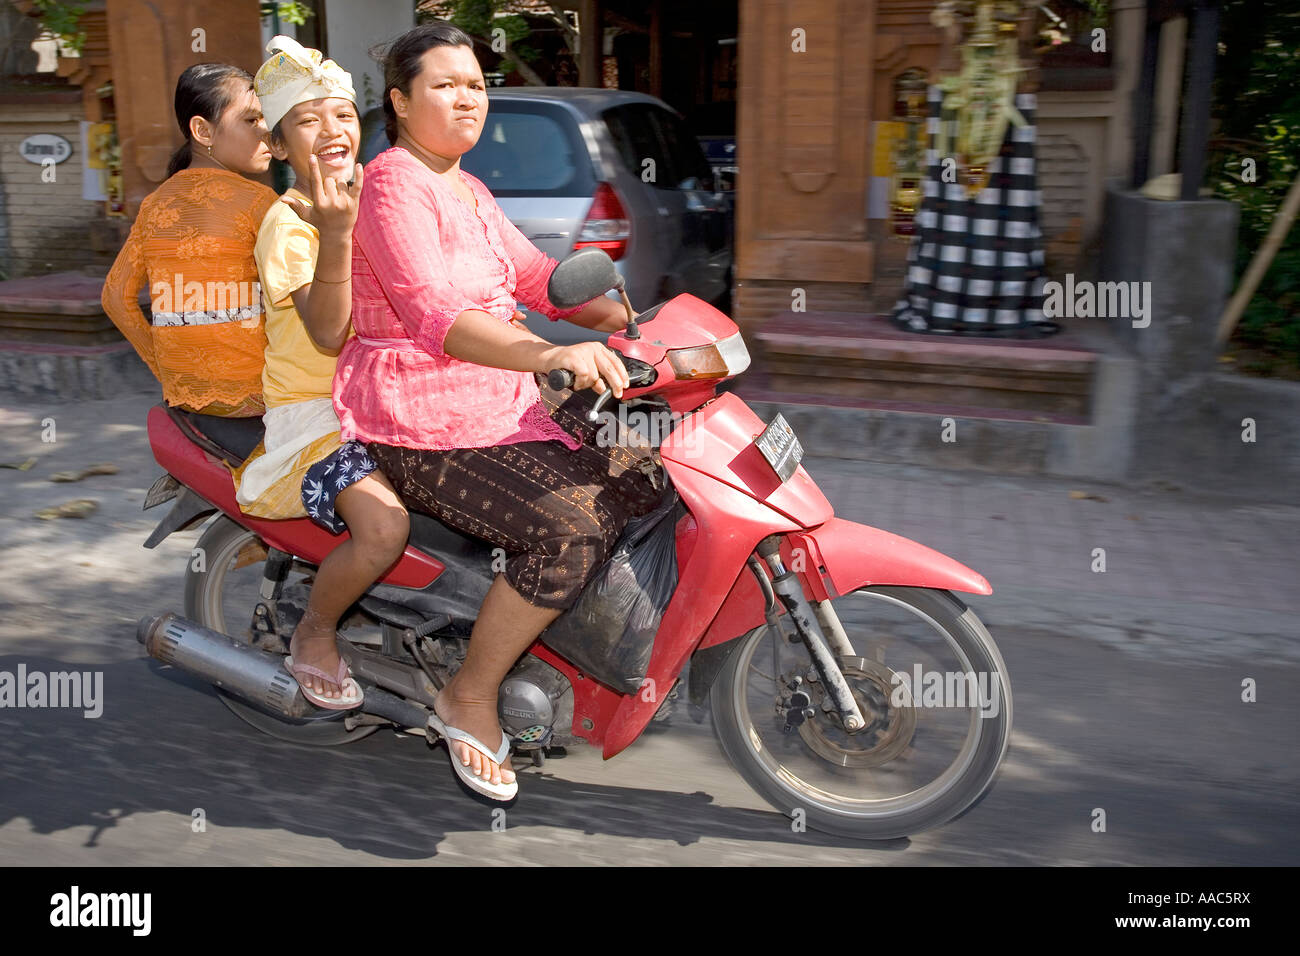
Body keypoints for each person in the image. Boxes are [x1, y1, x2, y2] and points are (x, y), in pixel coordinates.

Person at [336, 22, 662, 799]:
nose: (466, 98)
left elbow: (542, 279)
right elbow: (434, 315)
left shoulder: (468, 189)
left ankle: (574, 648)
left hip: (499, 397)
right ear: (401, 101)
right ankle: (470, 694)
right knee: (570, 528)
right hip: (417, 414)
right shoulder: (391, 184)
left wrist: (634, 320)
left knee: (646, 464)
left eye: (478, 85)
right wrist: (551, 354)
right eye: (445, 84)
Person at [232, 36, 410, 709]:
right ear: (278, 147)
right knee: (384, 528)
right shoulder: (290, 223)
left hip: (391, 394)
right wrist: (337, 233)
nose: (332, 130)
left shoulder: (379, 192)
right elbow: (328, 332)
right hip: (319, 412)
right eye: (307, 121)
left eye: (340, 114)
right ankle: (315, 630)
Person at [102, 63, 277, 417]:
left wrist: (167, 370)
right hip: (256, 392)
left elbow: (115, 298)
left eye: (266, 119)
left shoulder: (155, 204)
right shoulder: (260, 202)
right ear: (202, 130)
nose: (267, 131)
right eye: (251, 120)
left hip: (183, 394)